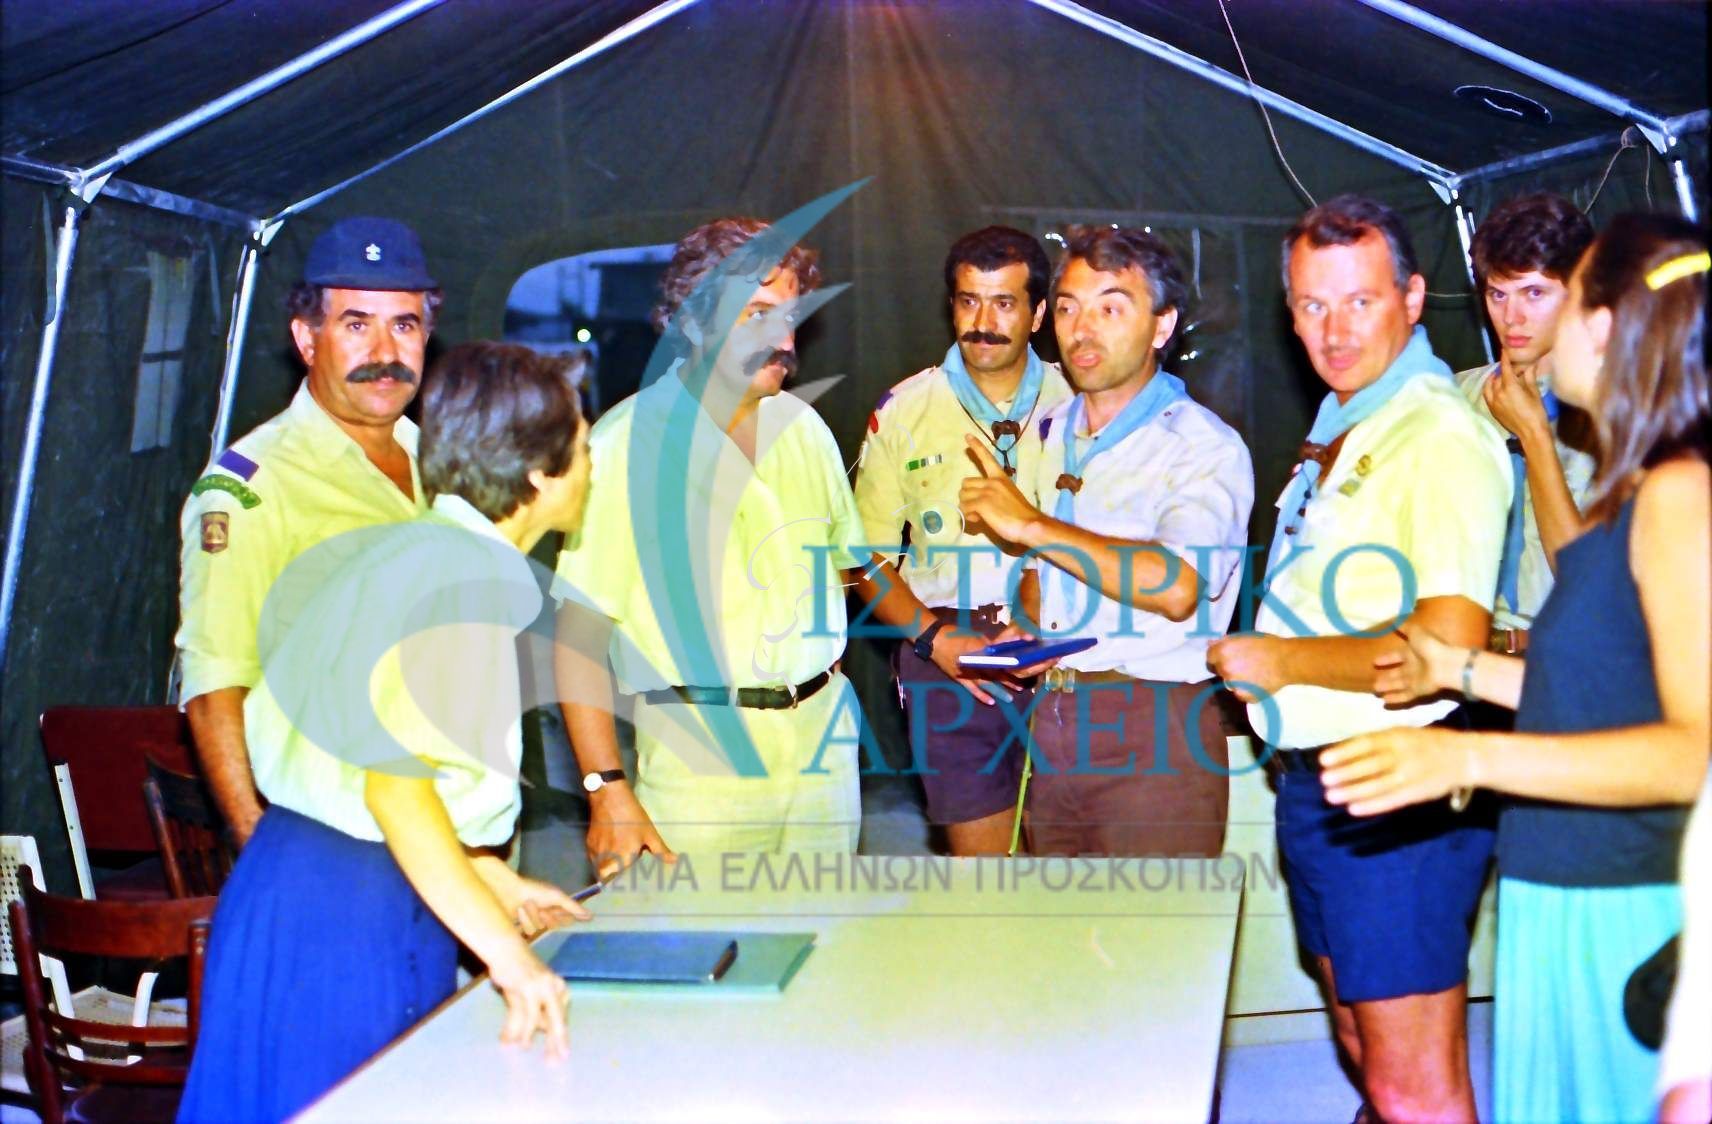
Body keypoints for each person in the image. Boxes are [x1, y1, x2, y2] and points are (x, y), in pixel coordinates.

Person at [1320, 214, 1709, 1122]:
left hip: (1621, 892)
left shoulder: (1681, 491)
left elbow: (1693, 752)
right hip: (1558, 881)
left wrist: (1466, 757)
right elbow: (1602, 693)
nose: (1525, 325)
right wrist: (1458, 669)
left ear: (1601, 326)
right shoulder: (1636, 488)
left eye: (1556, 301)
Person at [178, 342, 598, 1123]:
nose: (591, 466)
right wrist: (509, 958)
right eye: (583, 447)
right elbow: (395, 793)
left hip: (289, 892)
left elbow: (362, 767)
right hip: (353, 922)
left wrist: (493, 883)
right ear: (540, 475)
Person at [1205, 194, 1511, 1123]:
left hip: (1402, 787)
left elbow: (1450, 645)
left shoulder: (1438, 432)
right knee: (1357, 1037)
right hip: (1322, 780)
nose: (1334, 331)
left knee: (1414, 1085)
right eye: (1312, 304)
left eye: (1360, 302)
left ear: (1412, 300)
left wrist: (1285, 663)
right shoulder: (1352, 416)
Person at [553, 216, 869, 870]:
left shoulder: (805, 429)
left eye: (790, 316)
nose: (783, 339)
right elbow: (577, 635)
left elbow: (846, 567)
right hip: (701, 765)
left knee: (832, 930)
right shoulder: (625, 447)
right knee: (700, 933)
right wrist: (606, 789)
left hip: (824, 754)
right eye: (756, 315)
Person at [958, 225, 1252, 857]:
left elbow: (1176, 587)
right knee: (1054, 919)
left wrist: (1032, 526)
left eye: (1111, 309)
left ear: (1162, 325)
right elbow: (1048, 571)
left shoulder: (1202, 447)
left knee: (1154, 920)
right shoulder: (1048, 433)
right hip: (1054, 721)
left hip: (1155, 728)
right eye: (1068, 308)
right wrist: (1028, 632)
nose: (1082, 330)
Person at [175, 217, 440, 846]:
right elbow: (215, 684)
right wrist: (258, 844)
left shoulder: (442, 464)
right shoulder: (251, 488)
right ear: (307, 338)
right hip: (332, 831)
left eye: (404, 325)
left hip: (445, 817)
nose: (385, 353)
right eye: (357, 325)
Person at [852, 226, 1071, 855]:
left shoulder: (1080, 402)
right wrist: (933, 639)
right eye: (969, 301)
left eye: (1004, 303)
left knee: (1071, 872)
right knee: (984, 880)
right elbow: (862, 557)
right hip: (947, 653)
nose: (983, 323)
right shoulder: (905, 410)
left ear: (1037, 315)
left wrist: (1042, 622)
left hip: (1062, 644)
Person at [1459, 193, 1597, 657]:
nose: (1511, 317)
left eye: (1534, 293)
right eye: (1497, 294)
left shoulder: (1619, 414)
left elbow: (1590, 586)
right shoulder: (1451, 398)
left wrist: (1535, 436)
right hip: (1456, 664)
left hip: (1566, 664)